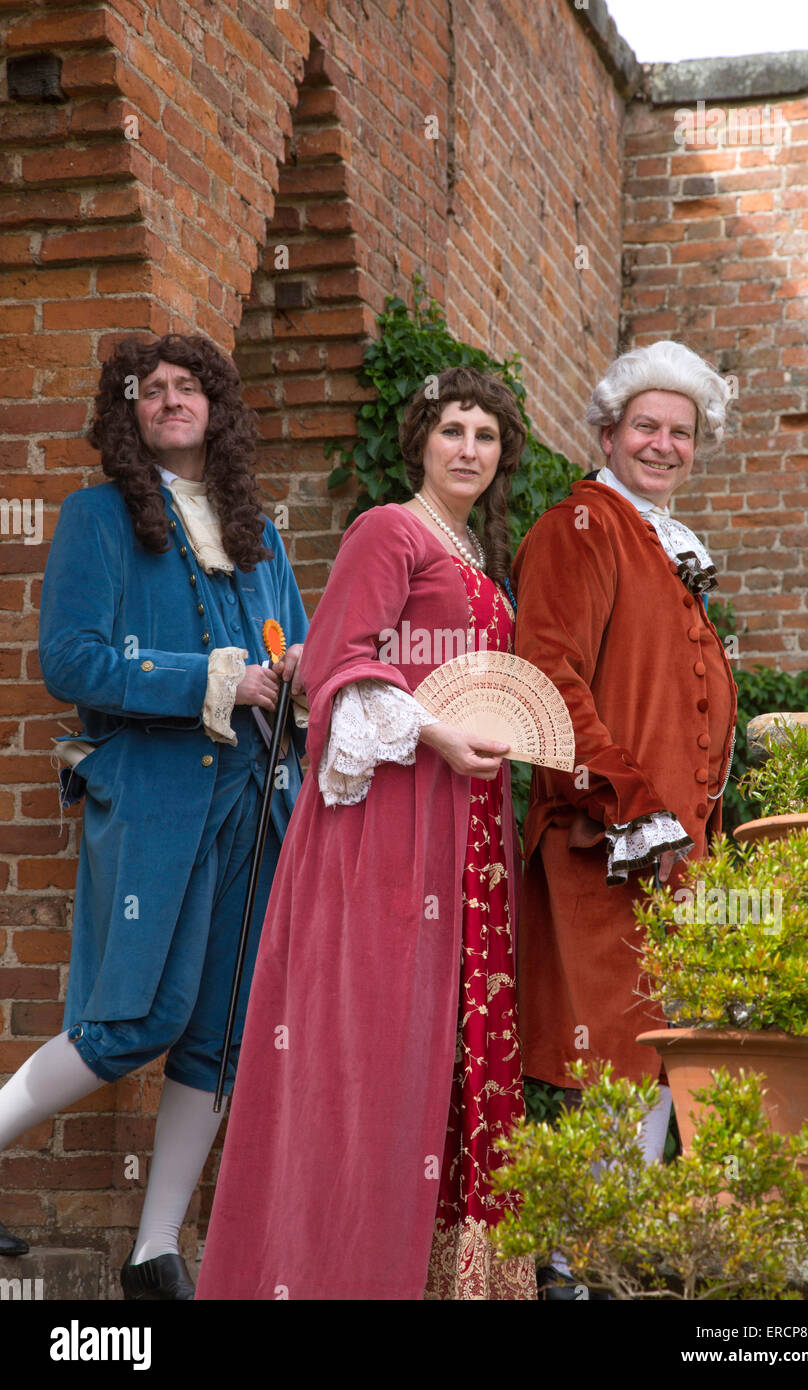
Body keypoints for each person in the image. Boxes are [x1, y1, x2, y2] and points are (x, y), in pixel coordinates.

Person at [196, 366, 536, 1301]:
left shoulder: (478, 558)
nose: (469, 449)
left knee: (455, 1042)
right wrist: (436, 733)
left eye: (486, 437)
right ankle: (338, 1275)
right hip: (391, 822)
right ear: (420, 440)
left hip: (468, 827)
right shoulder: (390, 531)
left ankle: (449, 1279)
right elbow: (339, 669)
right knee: (381, 1047)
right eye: (453, 430)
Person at [0, 333, 307, 1298]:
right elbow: (72, 662)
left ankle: (154, 1250)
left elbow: (298, 657)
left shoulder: (262, 538)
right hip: (156, 799)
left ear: (217, 408)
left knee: (221, 1030)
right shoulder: (97, 518)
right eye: (153, 389)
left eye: (190, 387)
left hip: (257, 802)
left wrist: (300, 674)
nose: (172, 400)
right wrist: (211, 678)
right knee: (136, 1018)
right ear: (128, 411)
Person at [513, 341, 738, 1167]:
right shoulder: (579, 528)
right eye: (647, 426)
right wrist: (630, 803)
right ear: (608, 435)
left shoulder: (668, 547)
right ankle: (594, 1245)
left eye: (681, 432)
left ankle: (623, 1238)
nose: (663, 445)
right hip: (604, 844)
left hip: (678, 860)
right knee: (611, 1063)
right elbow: (547, 677)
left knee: (659, 1060)